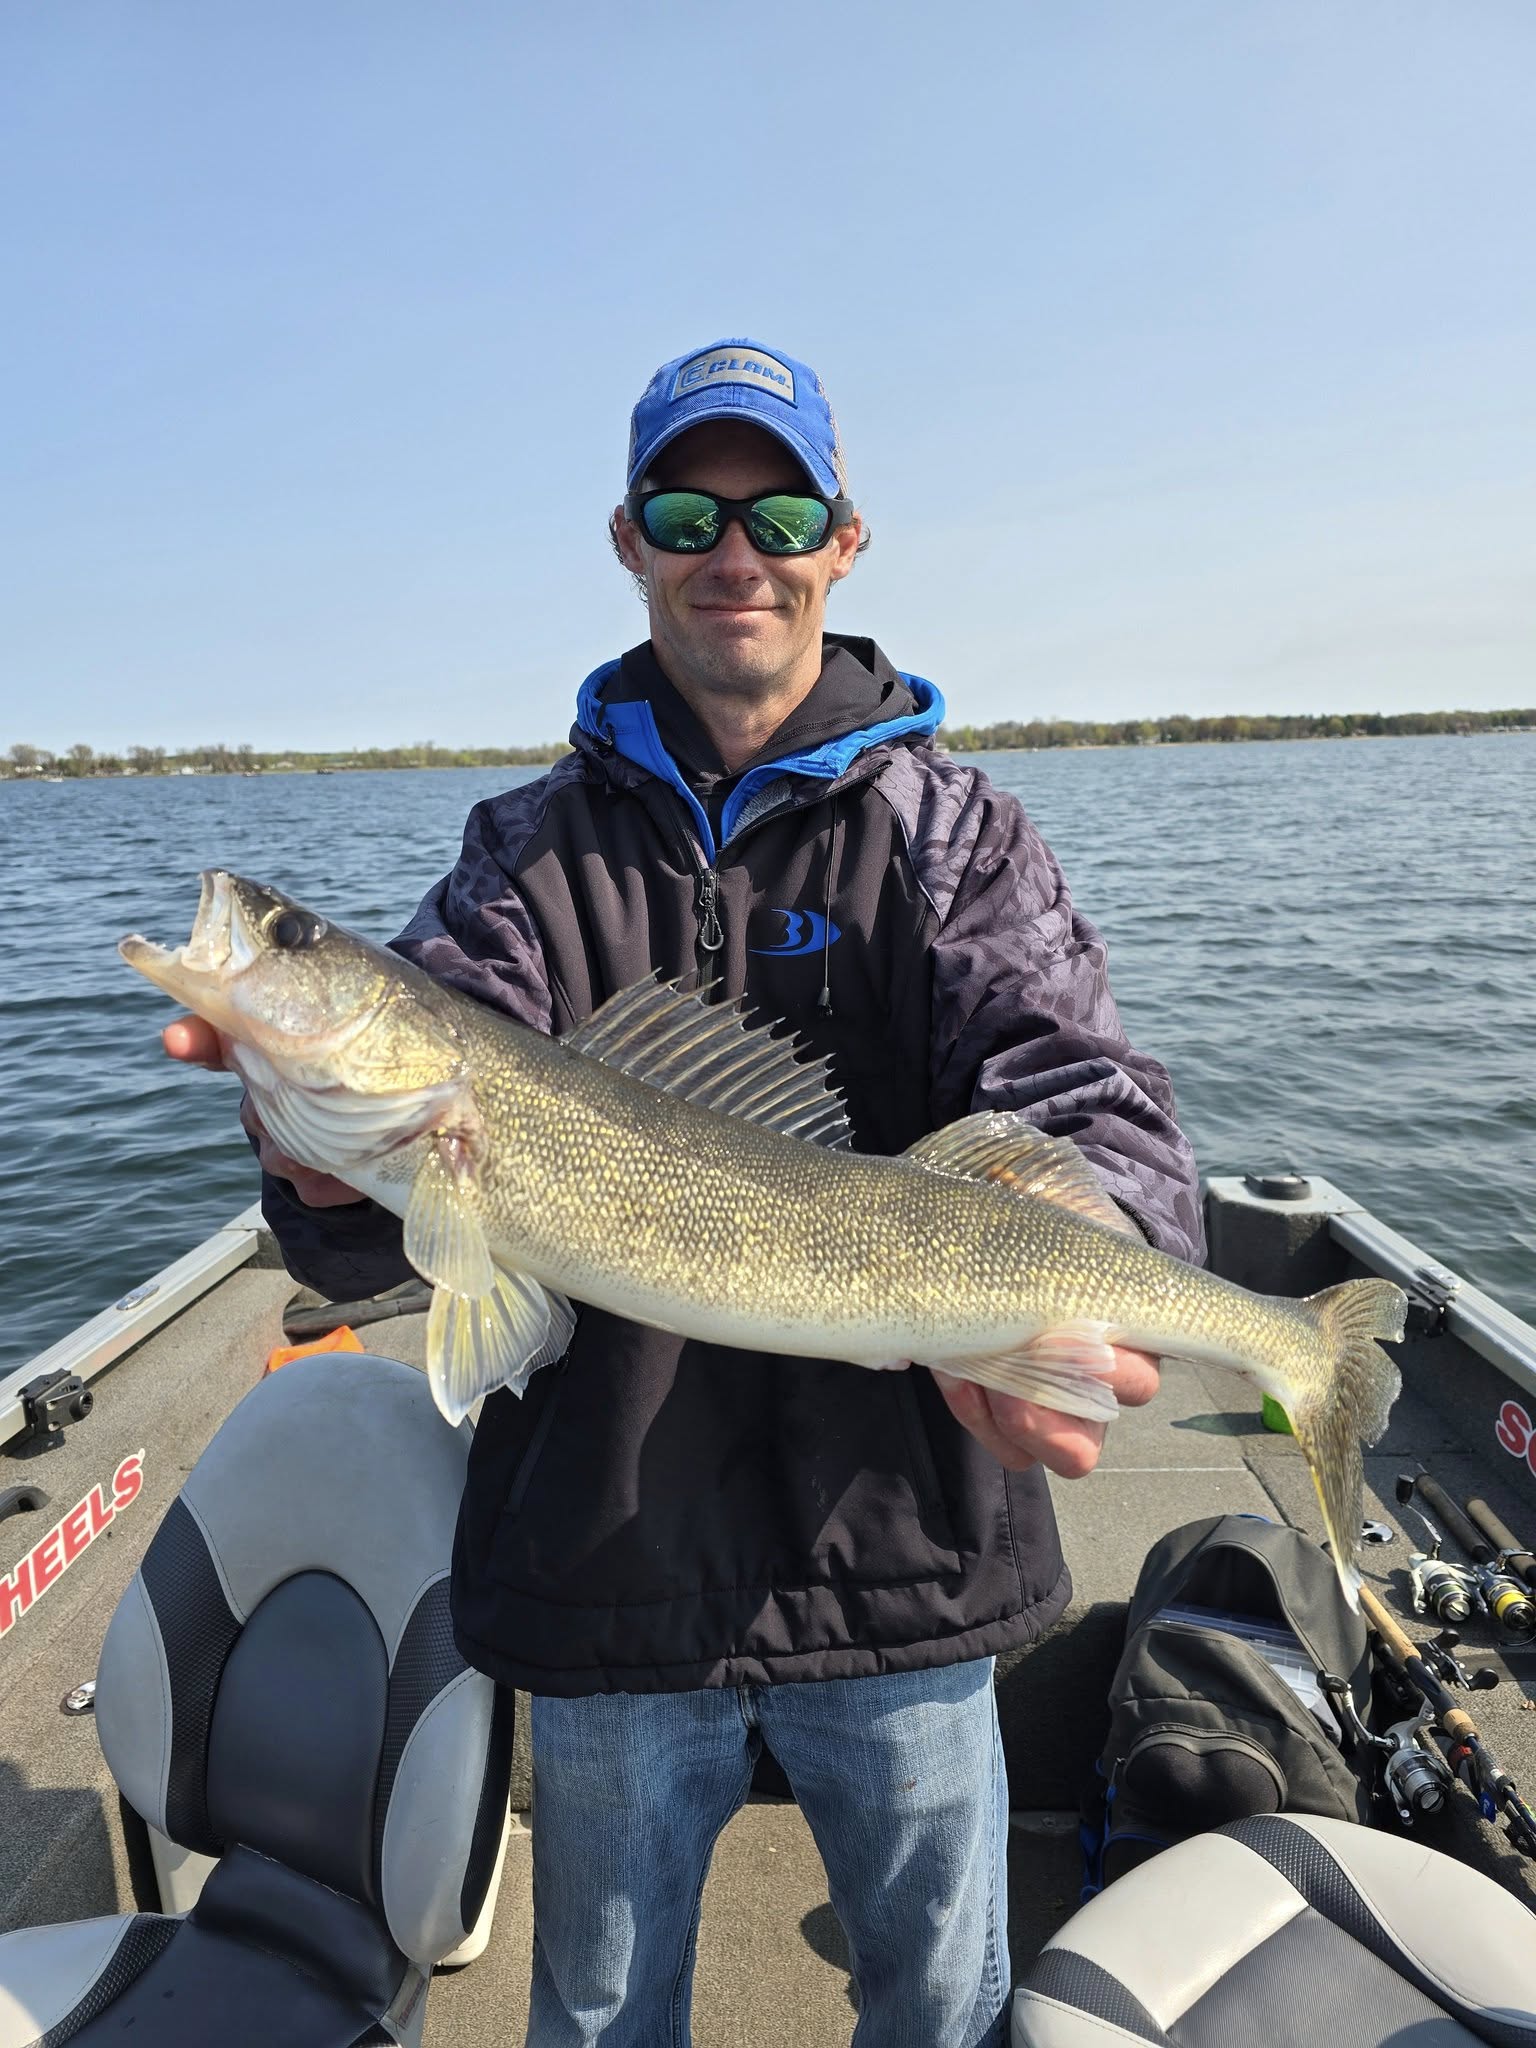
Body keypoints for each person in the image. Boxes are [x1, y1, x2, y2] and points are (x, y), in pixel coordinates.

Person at [166, 336, 1204, 2048]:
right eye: (687, 507)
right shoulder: (520, 859)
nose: (738, 548)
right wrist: (310, 1150)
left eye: (780, 507)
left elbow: (1083, 1086)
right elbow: (381, 1228)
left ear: (843, 542)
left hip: (910, 1569)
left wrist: (1094, 1246)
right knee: (598, 2018)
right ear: (630, 540)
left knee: (943, 2010)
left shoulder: (958, 835)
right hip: (607, 1576)